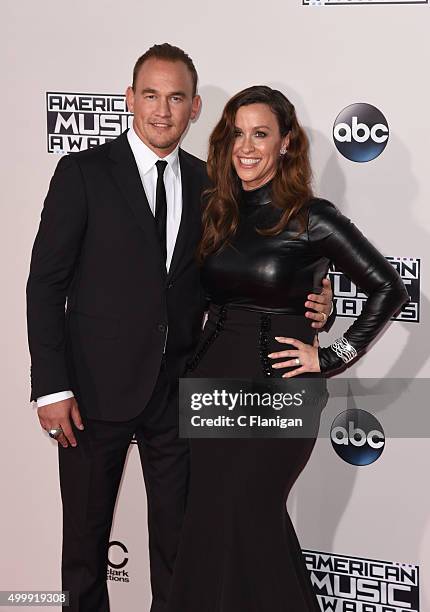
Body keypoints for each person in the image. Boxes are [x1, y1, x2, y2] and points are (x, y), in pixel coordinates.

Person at [26, 48, 334, 611]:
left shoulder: (213, 187)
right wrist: (51, 386)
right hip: (91, 396)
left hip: (183, 395)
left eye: (175, 98)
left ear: (194, 108)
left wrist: (318, 298)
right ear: (129, 99)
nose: (162, 111)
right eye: (150, 94)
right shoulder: (84, 173)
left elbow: (260, 267)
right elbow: (44, 285)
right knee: (85, 550)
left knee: (182, 547)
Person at [165, 86, 409, 612]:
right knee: (215, 521)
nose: (245, 147)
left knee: (248, 512)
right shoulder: (217, 209)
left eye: (260, 134)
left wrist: (331, 357)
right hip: (211, 382)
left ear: (286, 143)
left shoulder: (311, 216)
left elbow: (389, 288)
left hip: (282, 388)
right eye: (236, 133)